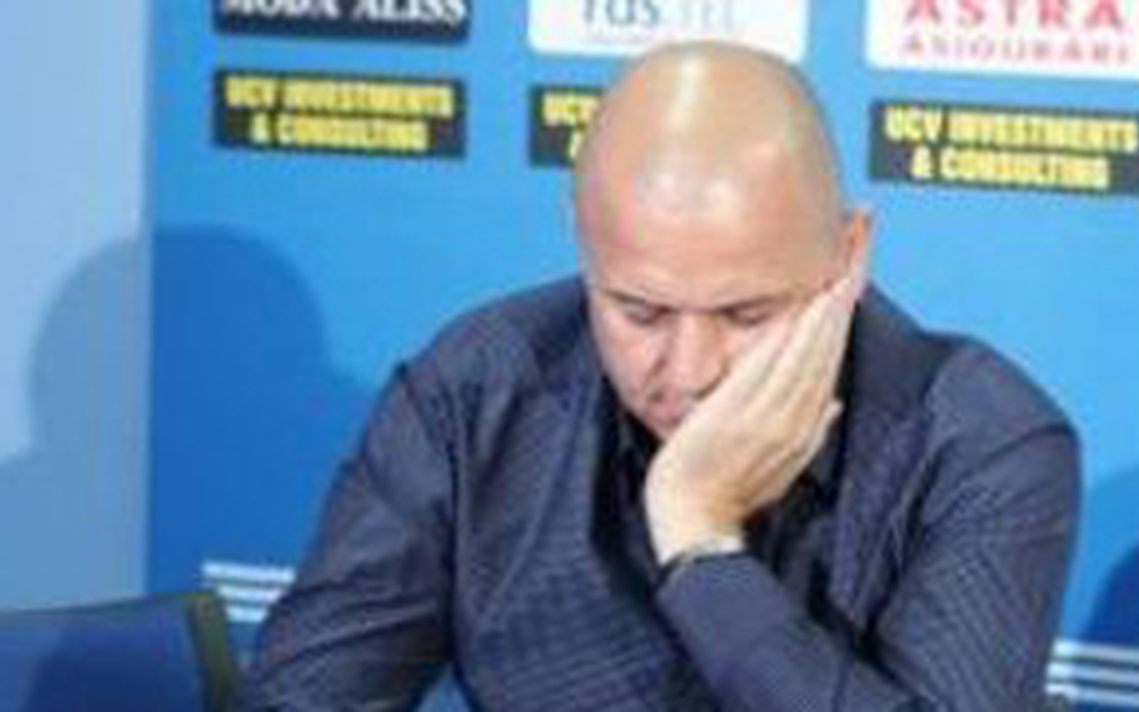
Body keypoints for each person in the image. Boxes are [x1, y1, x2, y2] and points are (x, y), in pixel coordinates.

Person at [241, 42, 1080, 711]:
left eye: (747, 315)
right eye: (639, 312)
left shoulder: (981, 444)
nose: (691, 372)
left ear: (849, 254)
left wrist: (700, 540)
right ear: (582, 238)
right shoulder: (476, 392)